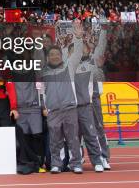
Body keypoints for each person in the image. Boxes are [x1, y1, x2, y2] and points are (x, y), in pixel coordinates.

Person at [40, 20, 85, 174]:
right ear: (48, 58)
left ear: (61, 56)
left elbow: (77, 54)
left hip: (69, 108)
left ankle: (76, 164)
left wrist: (78, 39)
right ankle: (56, 164)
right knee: (55, 140)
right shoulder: (44, 72)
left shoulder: (68, 67)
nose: (54, 57)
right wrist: (44, 107)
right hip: (53, 111)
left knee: (72, 138)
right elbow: (41, 91)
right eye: (51, 55)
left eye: (57, 54)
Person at [72, 24, 106, 172]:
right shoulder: (70, 65)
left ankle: (98, 160)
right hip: (72, 106)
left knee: (92, 134)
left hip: (87, 104)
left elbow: (100, 48)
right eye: (81, 48)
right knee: (74, 136)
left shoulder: (92, 64)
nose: (83, 50)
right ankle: (77, 161)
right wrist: (77, 37)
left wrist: (103, 30)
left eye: (86, 48)